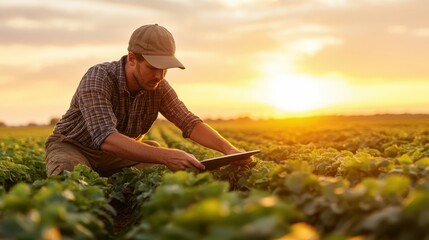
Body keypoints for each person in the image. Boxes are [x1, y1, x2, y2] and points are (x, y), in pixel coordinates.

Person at [45, 24, 250, 177]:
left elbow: (189, 122)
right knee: (70, 177)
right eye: (153, 67)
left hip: (119, 156)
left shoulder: (158, 86)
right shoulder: (98, 78)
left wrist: (229, 150)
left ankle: (115, 190)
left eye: (165, 69)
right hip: (74, 147)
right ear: (133, 58)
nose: (159, 75)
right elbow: (106, 138)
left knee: (168, 174)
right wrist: (166, 155)